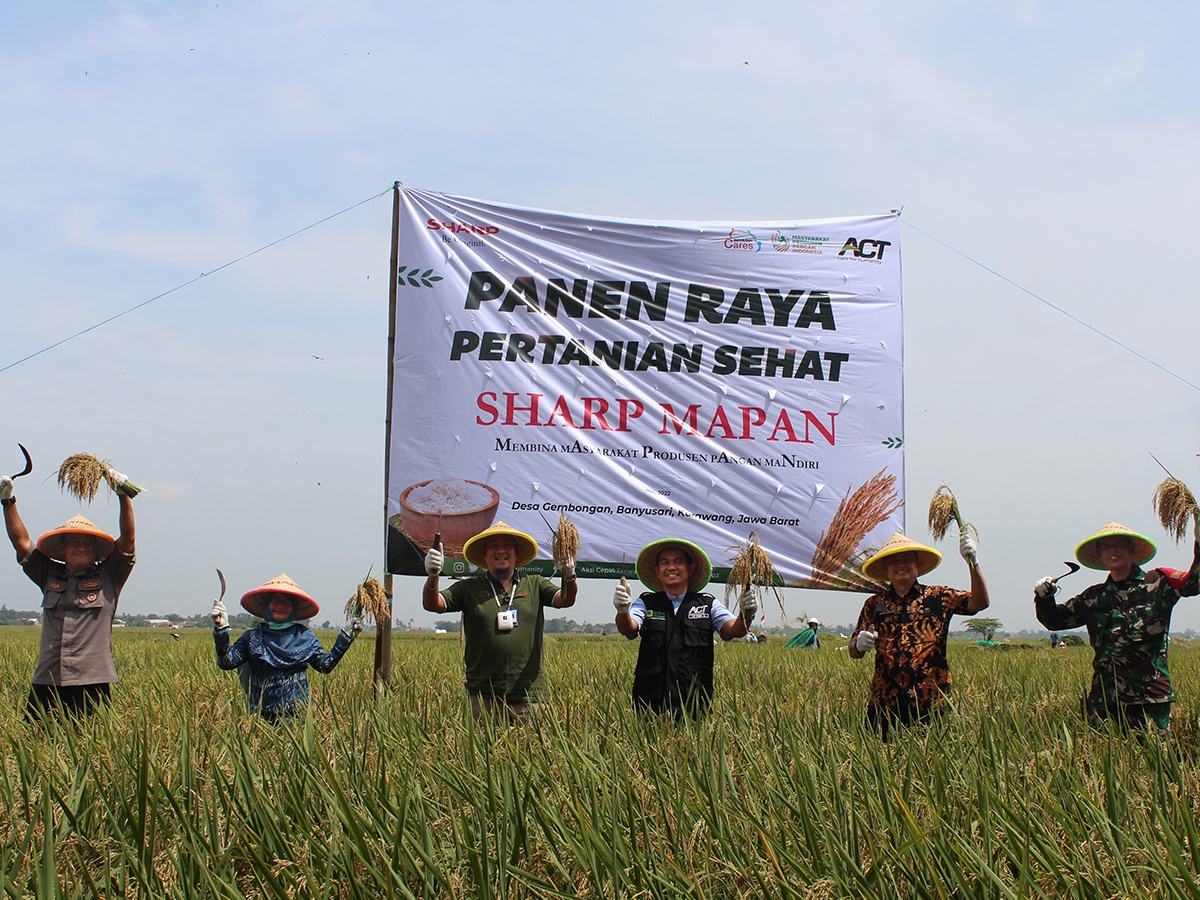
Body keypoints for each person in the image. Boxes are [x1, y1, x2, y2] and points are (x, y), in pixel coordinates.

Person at [1034, 521, 1199, 735]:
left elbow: (1194, 584)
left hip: (1149, 699)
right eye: (1106, 546)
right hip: (1104, 700)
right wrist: (1044, 597)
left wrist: (1199, 543)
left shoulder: (1158, 583)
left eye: (1119, 544)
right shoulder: (1094, 596)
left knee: (1154, 760)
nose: (1112, 549)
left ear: (1131, 549)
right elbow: (1055, 621)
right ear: (1100, 555)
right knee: (1103, 762)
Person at [1, 473, 136, 718]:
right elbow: (21, 543)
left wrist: (123, 495)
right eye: (74, 541)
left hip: (91, 681)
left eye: (87, 542)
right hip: (48, 679)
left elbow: (128, 542)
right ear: (62, 548)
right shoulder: (49, 575)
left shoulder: (110, 576)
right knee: (37, 745)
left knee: (90, 749)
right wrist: (7, 501)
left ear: (96, 549)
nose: (81, 545)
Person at [422, 521, 577, 723]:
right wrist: (433, 577)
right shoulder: (468, 588)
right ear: (484, 555)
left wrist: (569, 574)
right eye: (493, 546)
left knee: (534, 753)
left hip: (529, 697)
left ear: (516, 553)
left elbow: (565, 600)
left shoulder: (535, 584)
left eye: (507, 546)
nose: (501, 551)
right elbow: (434, 604)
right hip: (482, 697)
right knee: (480, 754)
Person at [849, 531, 988, 740]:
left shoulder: (939, 596)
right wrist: (859, 645)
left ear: (917, 564)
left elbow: (979, 602)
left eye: (907, 558)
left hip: (932, 702)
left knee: (933, 765)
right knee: (881, 766)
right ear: (885, 568)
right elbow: (854, 652)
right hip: (885, 703)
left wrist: (973, 563)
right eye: (893, 560)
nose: (900, 564)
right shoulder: (874, 604)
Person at [614, 539, 755, 719]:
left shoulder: (707, 604)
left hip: (695, 703)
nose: (671, 567)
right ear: (657, 571)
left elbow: (735, 630)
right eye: (664, 562)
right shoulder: (646, 603)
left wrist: (746, 614)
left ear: (691, 569)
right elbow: (629, 628)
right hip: (650, 702)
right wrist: (622, 610)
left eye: (678, 562)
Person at [210, 574, 361, 722]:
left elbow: (325, 665)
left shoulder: (305, 636)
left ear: (294, 607)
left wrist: (346, 636)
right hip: (260, 719)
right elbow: (227, 662)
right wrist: (222, 630)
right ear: (266, 604)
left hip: (297, 719)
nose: (281, 606)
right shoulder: (252, 637)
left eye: (287, 602)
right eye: (275, 600)